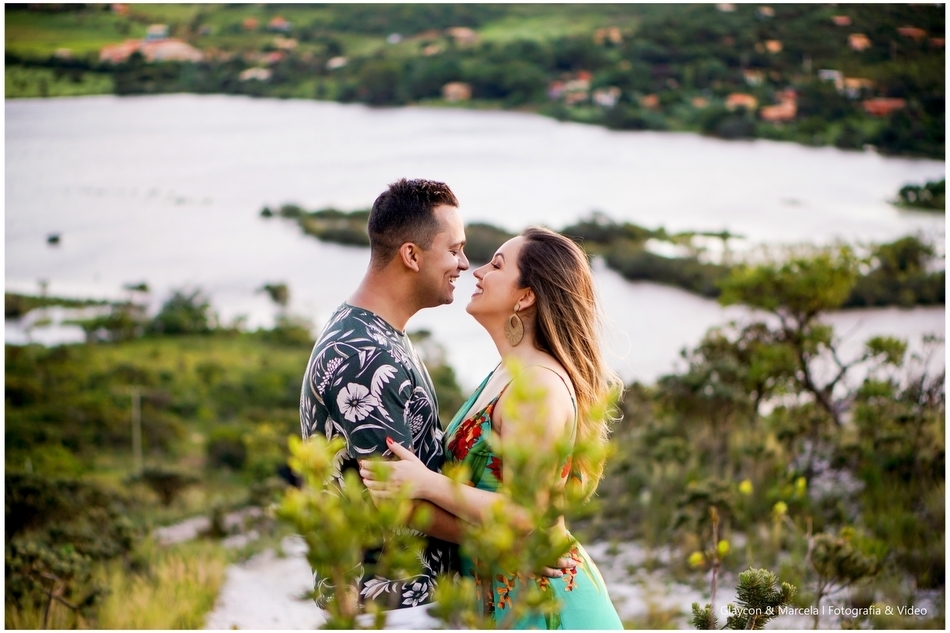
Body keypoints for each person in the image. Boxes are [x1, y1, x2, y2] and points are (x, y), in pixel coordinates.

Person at [361, 226, 625, 629]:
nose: (478, 271)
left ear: (526, 296)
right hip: (507, 596)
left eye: (497, 265)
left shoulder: (537, 387)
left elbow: (526, 515)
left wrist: (426, 483)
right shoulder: (508, 373)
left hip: (546, 607)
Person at [298, 178, 469, 625]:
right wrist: (506, 539)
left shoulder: (373, 332)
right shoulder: (365, 356)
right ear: (411, 255)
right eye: (454, 250)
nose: (464, 264)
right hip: (392, 604)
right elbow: (399, 500)